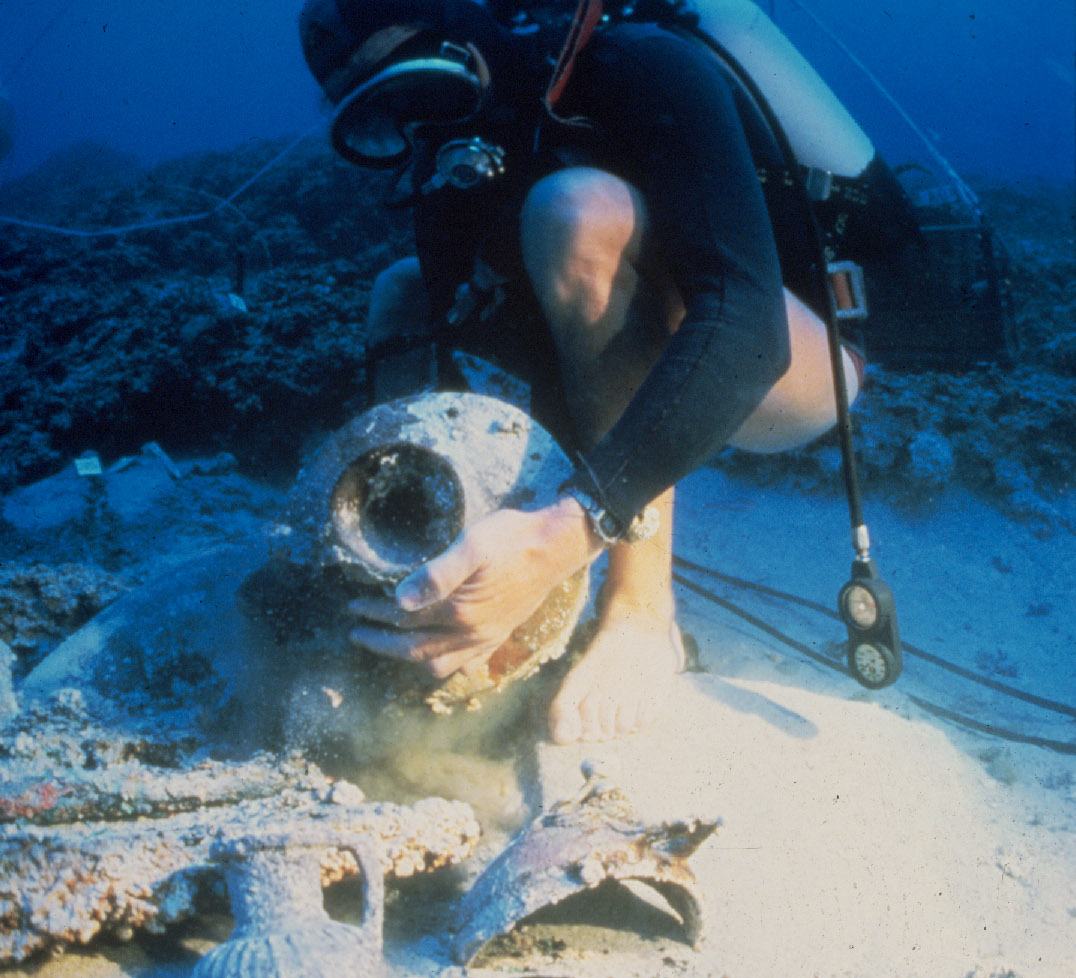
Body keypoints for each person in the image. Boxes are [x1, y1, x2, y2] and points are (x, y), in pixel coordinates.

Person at [299, 0, 917, 743]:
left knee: (577, 212)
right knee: (399, 291)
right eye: (380, 116)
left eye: (418, 83)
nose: (415, 121)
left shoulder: (642, 65)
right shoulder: (454, 149)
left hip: (794, 360)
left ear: (463, 32)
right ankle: (406, 556)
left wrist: (568, 532)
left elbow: (749, 326)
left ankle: (640, 615)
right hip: (668, 354)